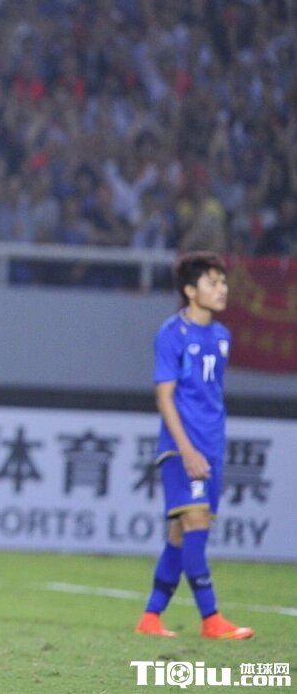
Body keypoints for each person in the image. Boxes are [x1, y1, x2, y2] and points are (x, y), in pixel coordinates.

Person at [134, 251, 254, 640]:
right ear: (190, 290)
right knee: (196, 523)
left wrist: (208, 447)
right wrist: (186, 450)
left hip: (211, 446)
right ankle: (211, 619)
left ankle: (151, 617)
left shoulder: (222, 337)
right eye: (212, 282)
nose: (222, 289)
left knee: (179, 535)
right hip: (180, 447)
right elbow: (165, 397)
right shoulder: (172, 334)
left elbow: (209, 396)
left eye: (223, 282)